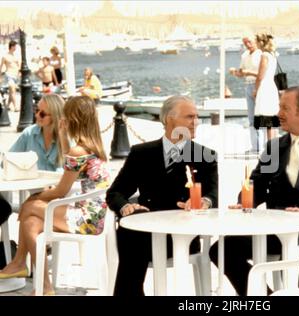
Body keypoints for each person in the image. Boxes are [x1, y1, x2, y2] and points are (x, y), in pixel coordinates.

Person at [209, 86, 299, 295]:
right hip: (273, 226)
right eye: (279, 107)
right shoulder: (274, 147)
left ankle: (287, 293)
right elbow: (256, 182)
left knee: (294, 257)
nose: (278, 114)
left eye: (285, 108)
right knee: (221, 249)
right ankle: (264, 297)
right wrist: (245, 202)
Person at [106, 95, 218, 296]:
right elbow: (115, 192)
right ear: (169, 120)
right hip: (145, 235)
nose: (196, 123)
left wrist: (204, 202)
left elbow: (213, 194)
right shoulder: (142, 153)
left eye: (197, 117)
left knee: (130, 239)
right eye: (189, 117)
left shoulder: (205, 155)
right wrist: (125, 206)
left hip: (183, 235)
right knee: (129, 234)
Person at [0, 96, 110, 295]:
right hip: (93, 212)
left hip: (86, 218)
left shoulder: (78, 150)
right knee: (30, 222)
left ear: (72, 119)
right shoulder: (91, 146)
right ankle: (44, 287)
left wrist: (38, 197)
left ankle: (18, 263)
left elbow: (61, 191)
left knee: (28, 206)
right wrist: (63, 134)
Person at [9, 94, 67, 171]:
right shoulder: (29, 133)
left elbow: (75, 170)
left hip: (59, 182)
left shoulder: (67, 137)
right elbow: (9, 160)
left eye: (42, 114)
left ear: (55, 116)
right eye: (36, 110)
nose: (37, 115)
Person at [229, 36, 262, 153]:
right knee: (251, 117)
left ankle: (261, 146)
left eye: (249, 42)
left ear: (255, 41)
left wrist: (248, 73)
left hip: (259, 85)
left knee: (260, 115)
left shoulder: (261, 54)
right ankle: (255, 147)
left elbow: (262, 74)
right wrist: (235, 72)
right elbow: (241, 72)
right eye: (245, 43)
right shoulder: (244, 55)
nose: (247, 44)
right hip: (248, 85)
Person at [252, 33, 280, 145]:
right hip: (271, 86)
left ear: (261, 42)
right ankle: (272, 145)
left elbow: (260, 76)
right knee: (271, 119)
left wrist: (256, 90)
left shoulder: (264, 55)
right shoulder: (272, 55)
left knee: (267, 119)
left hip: (265, 87)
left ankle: (270, 146)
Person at [0, 40, 20, 112]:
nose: (16, 48)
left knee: (11, 91)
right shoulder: (5, 56)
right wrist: (0, 77)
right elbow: (1, 67)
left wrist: (19, 73)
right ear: (11, 46)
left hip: (15, 76)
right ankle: (16, 107)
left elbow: (19, 66)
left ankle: (7, 106)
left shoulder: (16, 56)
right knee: (13, 90)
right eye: (15, 46)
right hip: (9, 75)